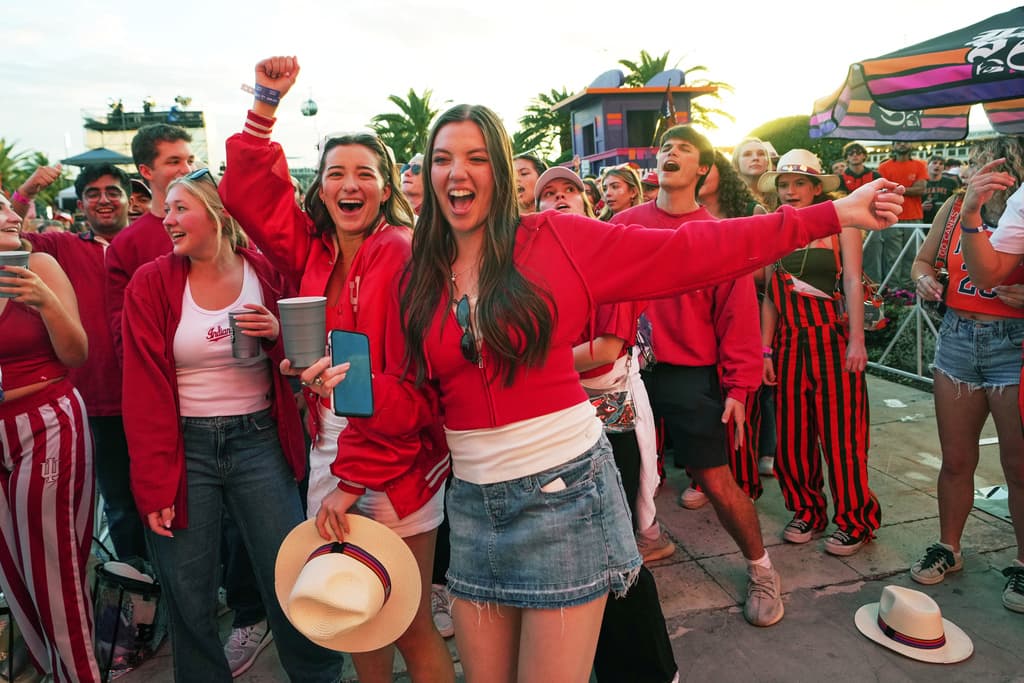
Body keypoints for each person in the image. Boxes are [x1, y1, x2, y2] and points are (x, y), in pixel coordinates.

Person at [297, 98, 903, 682]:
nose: (458, 172)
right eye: (442, 159)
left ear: (502, 172)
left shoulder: (556, 238)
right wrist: (358, 395)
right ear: (427, 175)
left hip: (564, 495)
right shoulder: (421, 270)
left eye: (477, 157)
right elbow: (422, 401)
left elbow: (695, 251)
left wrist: (832, 214)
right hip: (475, 506)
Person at [219, 56, 454, 683]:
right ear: (319, 187)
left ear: (386, 187)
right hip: (331, 449)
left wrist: (352, 482)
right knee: (354, 610)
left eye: (365, 174)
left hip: (396, 459)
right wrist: (265, 105)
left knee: (406, 618)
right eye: (335, 173)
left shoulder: (402, 256)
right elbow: (245, 193)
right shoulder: (313, 250)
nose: (350, 185)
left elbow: (411, 392)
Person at [120, 171, 346, 682]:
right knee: (188, 587)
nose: (167, 218)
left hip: (257, 441)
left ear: (218, 214)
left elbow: (304, 360)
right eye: (167, 209)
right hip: (186, 446)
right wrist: (154, 482)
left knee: (290, 571)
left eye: (181, 208)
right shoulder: (151, 282)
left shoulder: (263, 273)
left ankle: (319, 675)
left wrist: (275, 335)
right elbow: (142, 390)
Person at [621, 128, 778, 628]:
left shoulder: (718, 234)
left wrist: (738, 387)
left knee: (714, 478)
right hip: (627, 372)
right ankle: (648, 541)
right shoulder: (624, 224)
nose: (670, 153)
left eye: (684, 149)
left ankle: (762, 569)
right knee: (619, 476)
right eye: (664, 146)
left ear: (703, 171)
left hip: (691, 373)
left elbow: (739, 314)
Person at [22, 163, 148, 562]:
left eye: (113, 191)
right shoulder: (61, 248)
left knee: (173, 497)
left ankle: (187, 584)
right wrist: (26, 191)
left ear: (129, 199)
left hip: (155, 397)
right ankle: (136, 592)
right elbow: (8, 240)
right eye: (93, 193)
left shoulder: (151, 243)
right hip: (97, 401)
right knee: (121, 505)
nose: (104, 199)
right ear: (81, 204)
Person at [759, 149, 881, 557]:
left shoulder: (842, 223)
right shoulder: (773, 228)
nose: (790, 191)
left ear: (815, 188)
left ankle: (855, 520)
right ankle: (807, 510)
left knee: (843, 436)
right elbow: (771, 299)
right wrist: (765, 351)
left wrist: (857, 341)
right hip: (789, 342)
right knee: (793, 436)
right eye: (783, 184)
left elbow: (851, 283)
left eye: (798, 184)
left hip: (831, 338)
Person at [0, 193, 99, 681]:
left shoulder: (38, 263)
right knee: (13, 570)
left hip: (46, 420)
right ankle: (47, 667)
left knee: (53, 566)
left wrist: (44, 300)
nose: (12, 216)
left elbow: (77, 352)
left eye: (9, 207)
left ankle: (79, 673)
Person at [934, 138, 1024, 614]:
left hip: (1014, 344)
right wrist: (923, 276)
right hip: (957, 340)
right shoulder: (955, 207)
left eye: (994, 161)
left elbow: (992, 272)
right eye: (975, 161)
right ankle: (948, 546)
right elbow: (922, 262)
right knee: (955, 458)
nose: (980, 169)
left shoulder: (1022, 207)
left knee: (1019, 467)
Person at [698, 150, 777, 483]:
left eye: (706, 166)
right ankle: (710, 470)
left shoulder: (749, 211)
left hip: (746, 309)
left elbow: (768, 271)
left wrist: (725, 268)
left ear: (721, 172)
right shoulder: (688, 213)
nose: (699, 173)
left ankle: (757, 457)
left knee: (751, 391)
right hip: (703, 314)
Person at [877, 141, 928, 286]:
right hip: (890, 216)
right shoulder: (884, 167)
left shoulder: (919, 165)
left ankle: (910, 290)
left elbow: (921, 189)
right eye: (898, 142)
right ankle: (894, 292)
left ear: (911, 145)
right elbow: (881, 189)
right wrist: (908, 189)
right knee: (892, 256)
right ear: (893, 146)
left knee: (913, 256)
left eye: (905, 142)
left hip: (914, 217)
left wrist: (895, 188)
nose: (902, 144)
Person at [731, 137, 775, 207]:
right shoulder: (727, 197)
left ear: (767, 162)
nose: (755, 158)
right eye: (747, 154)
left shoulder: (780, 196)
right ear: (736, 162)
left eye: (761, 154)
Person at [921, 155, 961, 224]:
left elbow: (958, 200)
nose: (937, 166)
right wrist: (920, 207)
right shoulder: (920, 182)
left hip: (944, 219)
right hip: (924, 220)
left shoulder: (951, 183)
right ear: (927, 166)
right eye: (934, 163)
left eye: (941, 164)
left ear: (944, 167)